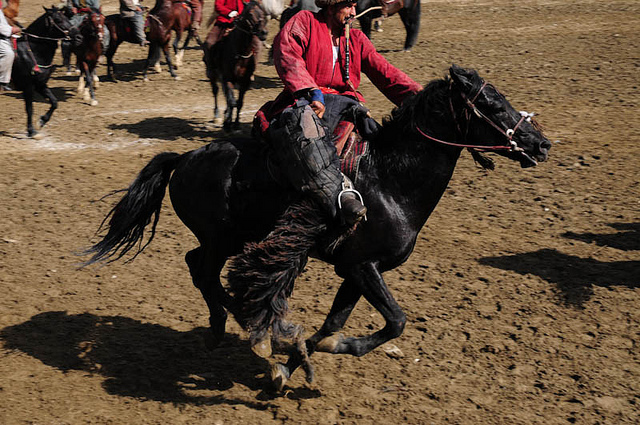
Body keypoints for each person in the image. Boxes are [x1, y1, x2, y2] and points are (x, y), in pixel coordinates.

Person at [256, 0, 422, 226]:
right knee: (308, 142)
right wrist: (310, 91)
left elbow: (385, 72)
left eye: (355, 6)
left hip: (347, 107)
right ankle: (335, 198)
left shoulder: (356, 39)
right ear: (331, 6)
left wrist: (421, 95)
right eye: (348, 7)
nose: (354, 13)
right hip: (306, 101)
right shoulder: (305, 22)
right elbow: (287, 53)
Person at [0, 6, 20, 91]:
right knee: (8, 53)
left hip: (4, 35)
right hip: (2, 36)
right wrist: (12, 29)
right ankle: (2, 81)